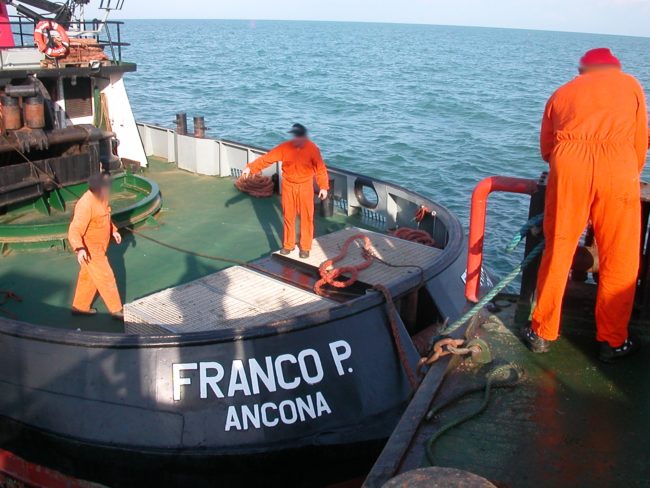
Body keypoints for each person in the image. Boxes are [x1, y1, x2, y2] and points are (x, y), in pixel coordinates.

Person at [523, 48, 648, 362]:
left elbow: (547, 149)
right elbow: (639, 141)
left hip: (570, 166)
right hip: (618, 167)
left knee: (559, 249)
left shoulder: (562, 93)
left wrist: (569, 164)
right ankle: (613, 341)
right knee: (619, 256)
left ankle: (542, 332)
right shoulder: (630, 86)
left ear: (582, 70)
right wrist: (626, 172)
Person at [242, 123, 329, 258]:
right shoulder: (284, 147)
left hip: (305, 186)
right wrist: (250, 168)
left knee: (306, 217)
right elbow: (267, 159)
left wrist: (323, 187)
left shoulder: (312, 149)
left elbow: (320, 169)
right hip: (288, 185)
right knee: (288, 215)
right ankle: (288, 245)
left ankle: (305, 247)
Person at [68, 172, 124, 320]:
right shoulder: (85, 204)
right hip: (91, 250)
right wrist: (80, 248)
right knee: (106, 277)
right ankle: (116, 310)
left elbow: (105, 218)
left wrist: (113, 231)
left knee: (88, 278)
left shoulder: (102, 198)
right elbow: (75, 229)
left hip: (100, 246)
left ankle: (80, 307)